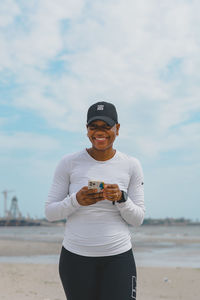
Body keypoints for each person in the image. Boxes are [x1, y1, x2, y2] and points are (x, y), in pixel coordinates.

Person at [45, 101, 145, 300]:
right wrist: (76, 200)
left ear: (117, 129)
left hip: (118, 257)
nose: (100, 132)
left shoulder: (131, 165)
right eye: (94, 127)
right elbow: (50, 213)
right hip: (75, 259)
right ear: (87, 130)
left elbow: (138, 219)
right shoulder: (68, 163)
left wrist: (121, 199)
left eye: (106, 126)